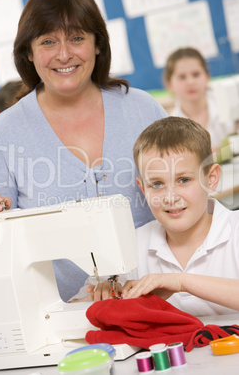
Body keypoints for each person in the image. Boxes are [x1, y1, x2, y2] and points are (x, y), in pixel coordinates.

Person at [0, 0, 167, 302]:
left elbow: (185, 196)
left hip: (159, 298)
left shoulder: (143, 109)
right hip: (60, 320)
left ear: (98, 44)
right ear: (28, 53)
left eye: (77, 38)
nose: (64, 55)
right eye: (48, 41)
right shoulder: (4, 135)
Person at [83, 117, 239, 316]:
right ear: (142, 188)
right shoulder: (131, 246)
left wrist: (182, 281)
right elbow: (78, 306)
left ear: (212, 179)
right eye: (156, 184)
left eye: (183, 180)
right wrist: (100, 296)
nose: (170, 197)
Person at [163, 47, 233, 153]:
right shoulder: (171, 127)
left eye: (196, 74)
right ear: (169, 84)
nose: (190, 82)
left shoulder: (230, 104)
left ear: (207, 77)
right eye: (182, 77)